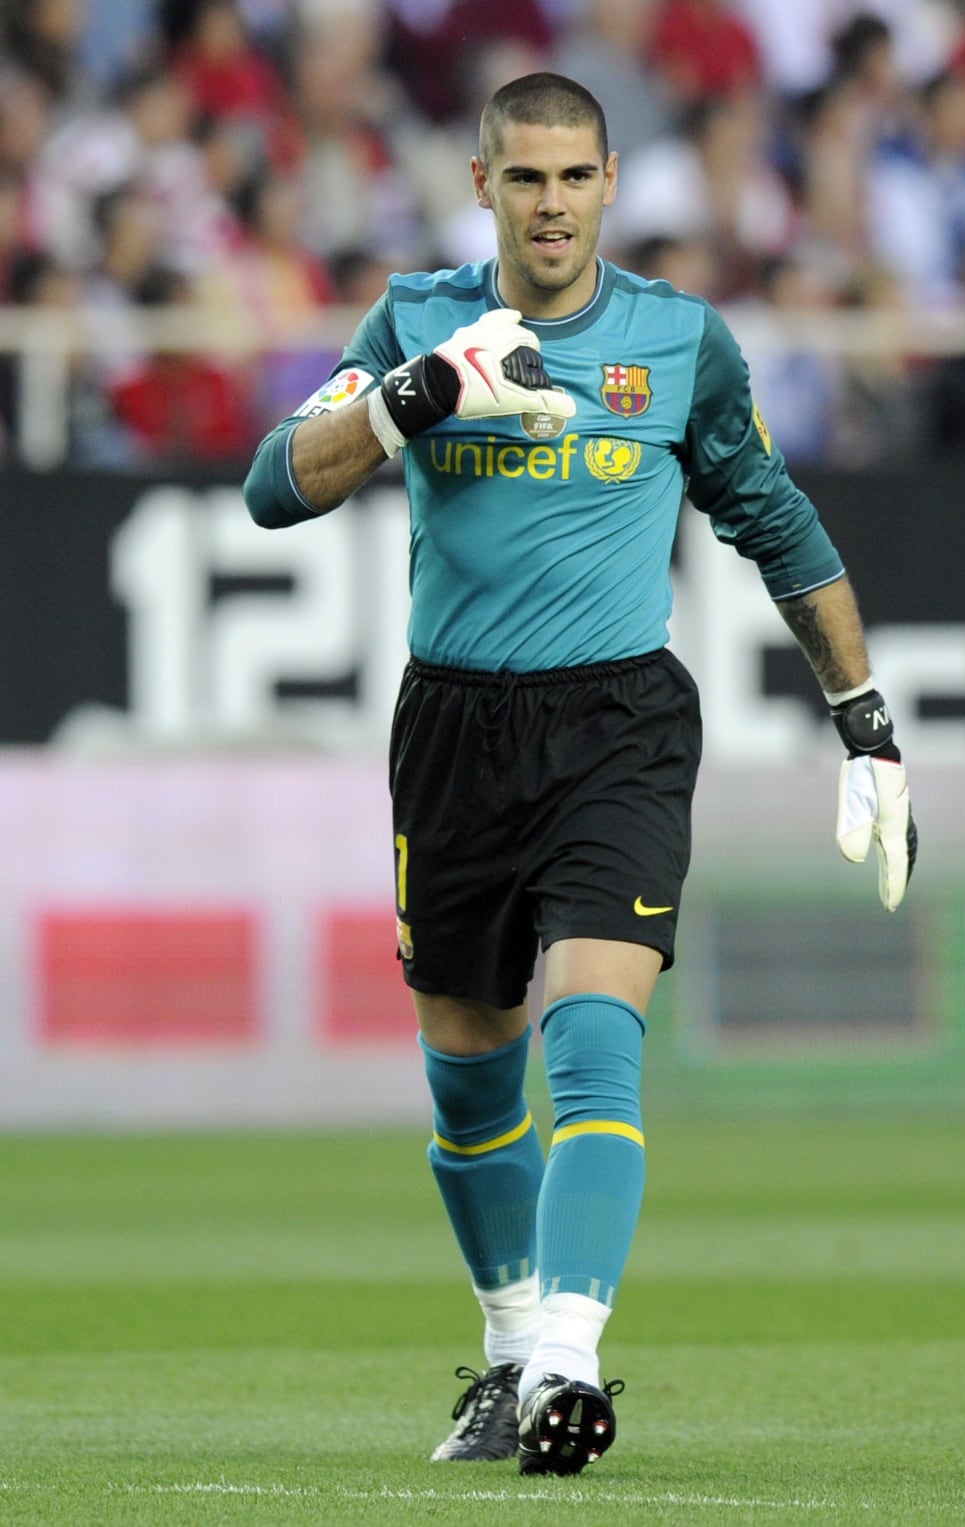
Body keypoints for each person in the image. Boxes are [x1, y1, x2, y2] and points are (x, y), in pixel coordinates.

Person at [243, 72, 917, 1476]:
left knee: (595, 1035)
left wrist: (865, 720)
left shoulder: (680, 344)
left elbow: (780, 529)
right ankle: (506, 1354)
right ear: (483, 185)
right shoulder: (419, 321)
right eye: (524, 179)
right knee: (470, 1089)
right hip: (452, 732)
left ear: (611, 182)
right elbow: (272, 486)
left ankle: (566, 1359)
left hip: (618, 723)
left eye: (574, 178)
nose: (551, 205)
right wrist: (415, 402)